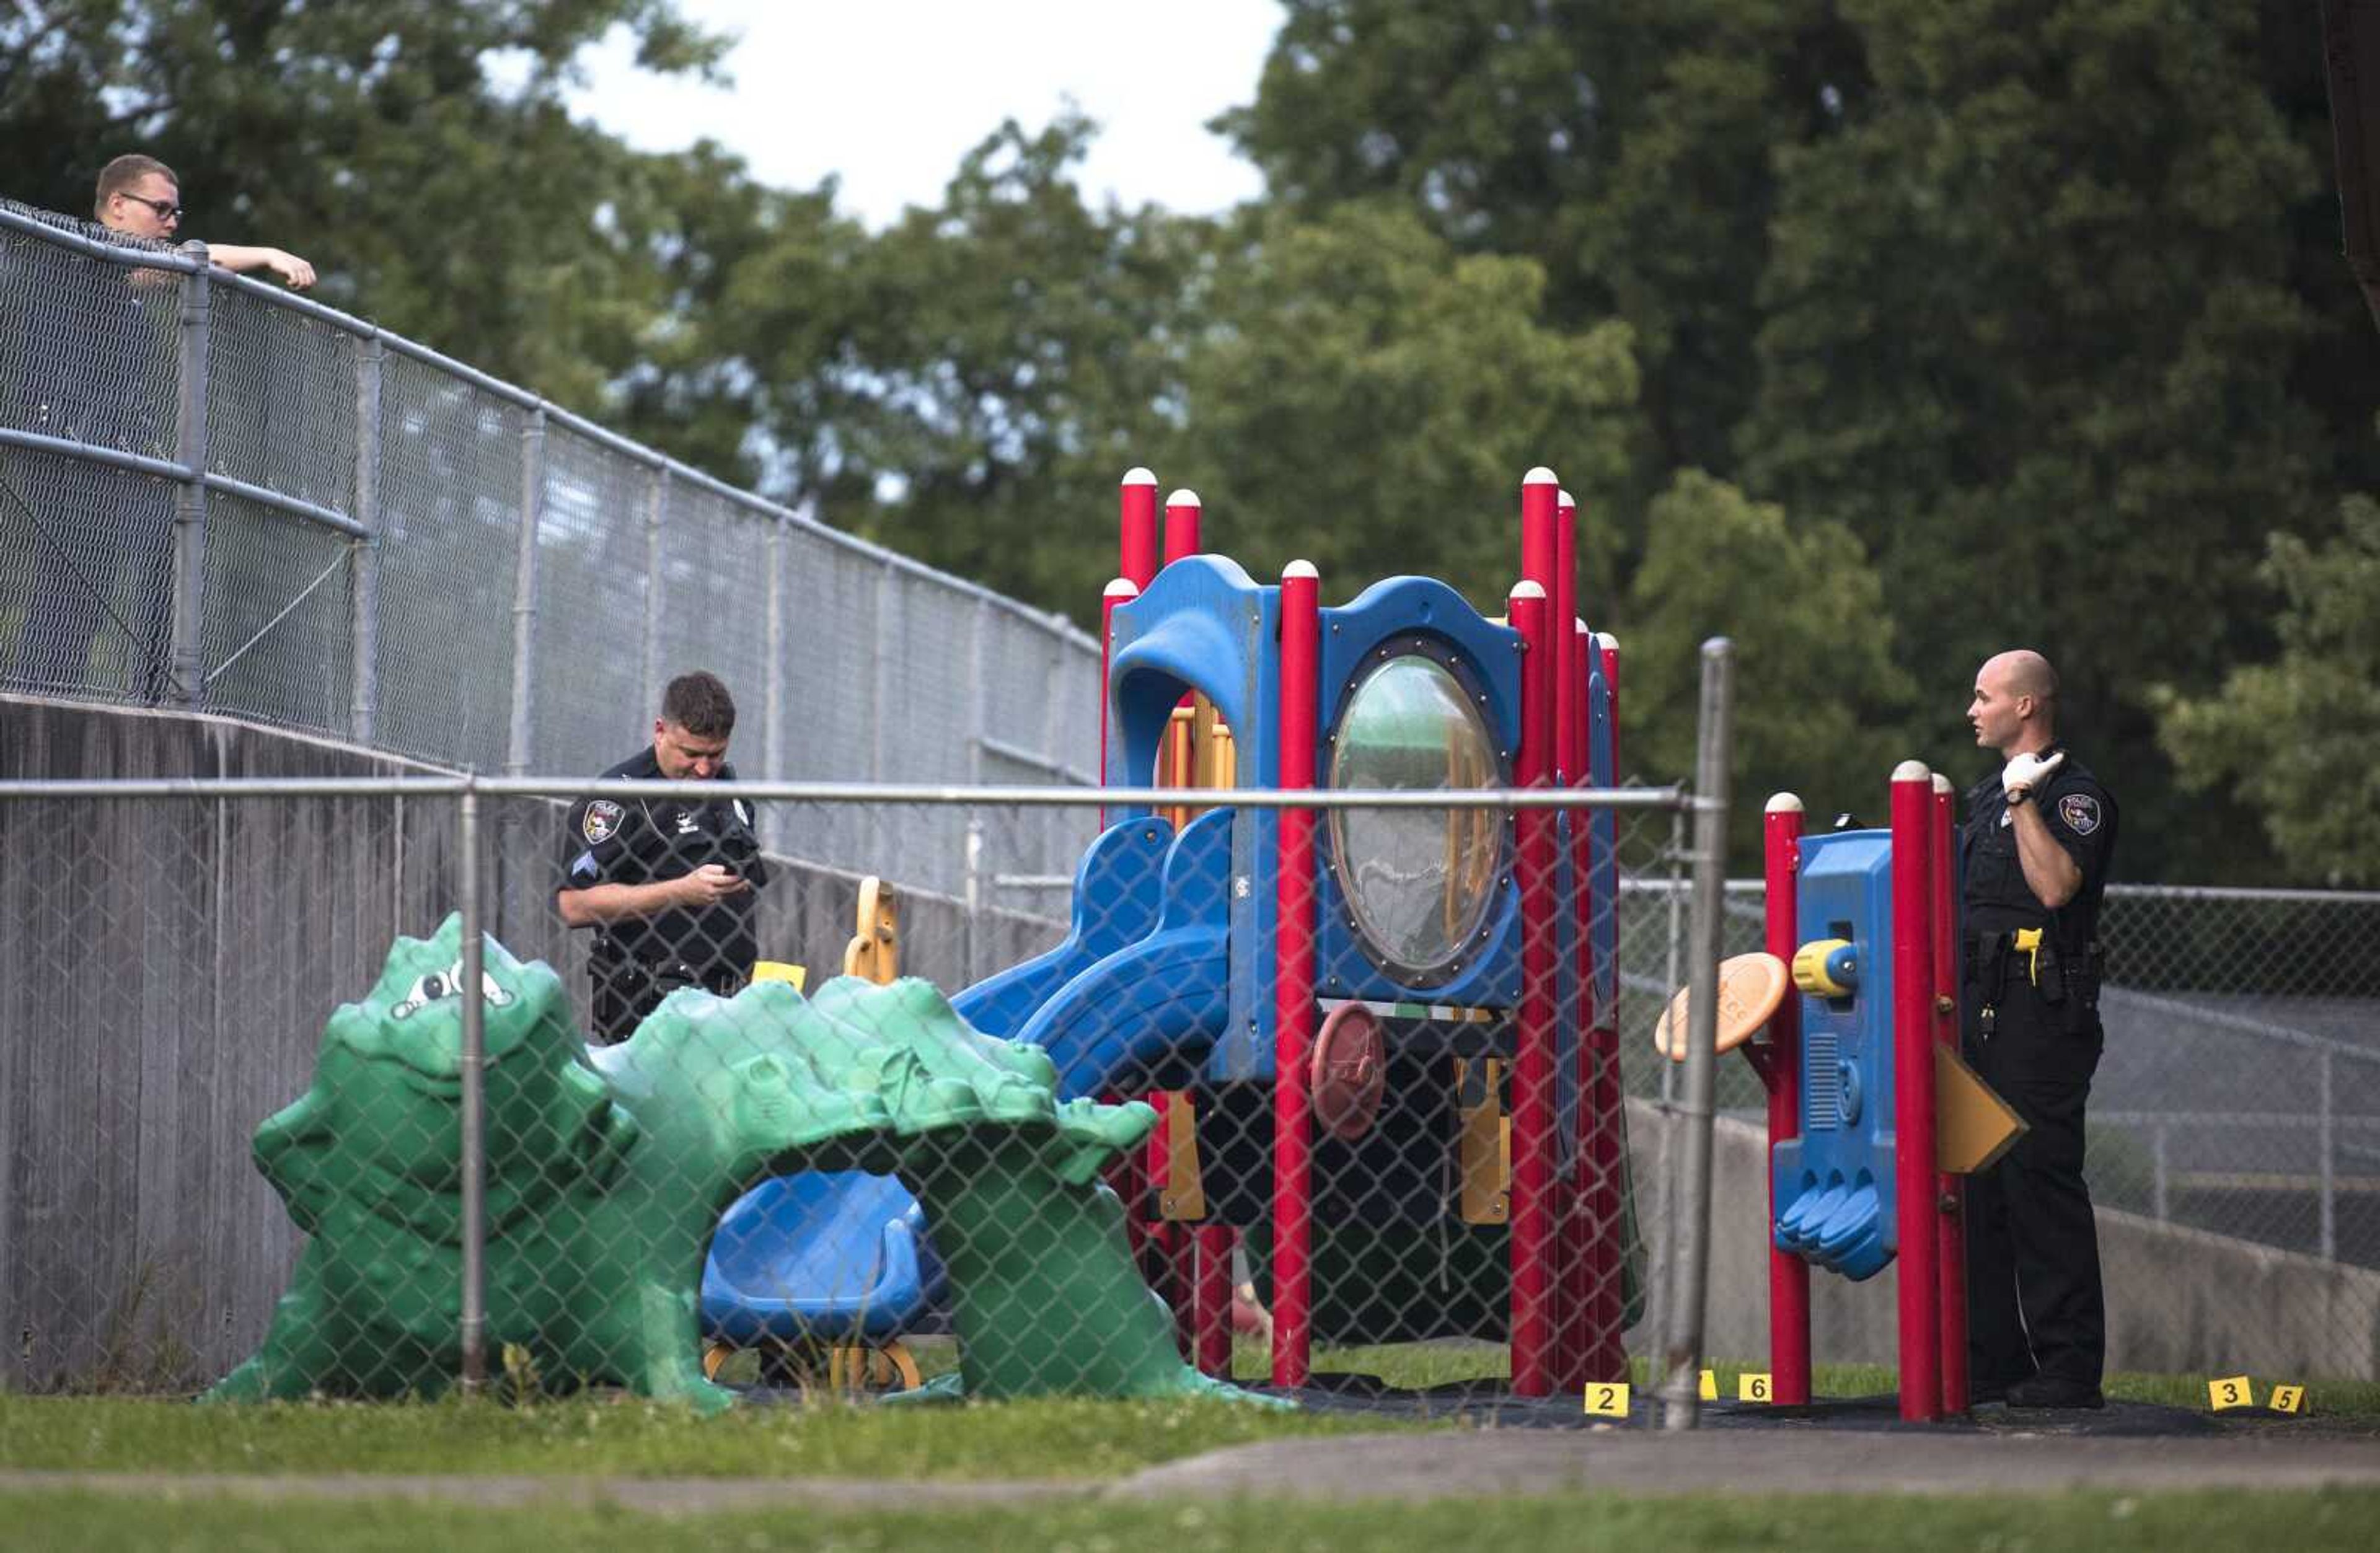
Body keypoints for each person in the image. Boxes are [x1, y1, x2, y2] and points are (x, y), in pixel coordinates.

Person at [4, 154, 314, 702]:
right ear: (118, 207)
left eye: (177, 211)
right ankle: (39, 694)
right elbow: (184, 262)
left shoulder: (128, 287)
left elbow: (195, 269)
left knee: (107, 582)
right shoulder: (84, 253)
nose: (173, 222)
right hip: (67, 454)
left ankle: (115, 696)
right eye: (161, 209)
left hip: (110, 454)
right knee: (64, 591)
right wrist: (267, 253)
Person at [1959, 648, 2118, 1410]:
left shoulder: (2071, 796)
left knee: (2040, 1182)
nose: (1973, 710)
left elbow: (2056, 886)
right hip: (1978, 1010)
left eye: (1985, 697)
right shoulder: (1986, 794)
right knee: (1979, 1186)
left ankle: (2066, 1368)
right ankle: (1993, 1361)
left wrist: (2027, 804)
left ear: (2026, 706)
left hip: (2041, 1012)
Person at [557, 671, 770, 1044]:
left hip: (727, 1005)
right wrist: (680, 892)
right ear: (660, 731)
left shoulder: (727, 790)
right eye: (691, 754)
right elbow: (573, 905)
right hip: (651, 1011)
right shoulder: (620, 797)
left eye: (715, 754)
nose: (704, 768)